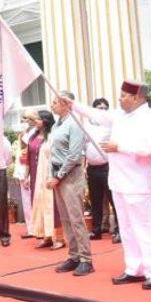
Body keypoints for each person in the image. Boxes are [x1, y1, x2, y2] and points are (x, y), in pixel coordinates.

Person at [65, 81, 151, 290]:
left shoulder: (149, 118)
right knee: (127, 228)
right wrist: (72, 104)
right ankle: (134, 269)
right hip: (119, 181)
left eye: (124, 96)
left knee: (144, 227)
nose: (119, 99)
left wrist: (118, 147)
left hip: (138, 181)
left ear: (137, 98)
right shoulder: (120, 115)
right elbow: (98, 115)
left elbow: (149, 147)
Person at [49, 92, 92, 277]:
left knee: (76, 218)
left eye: (55, 102)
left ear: (66, 104)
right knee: (66, 218)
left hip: (70, 175)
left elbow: (74, 156)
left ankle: (86, 259)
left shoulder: (74, 124)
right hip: (58, 174)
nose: (52, 105)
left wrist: (58, 176)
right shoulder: (57, 124)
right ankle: (74, 256)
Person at [84, 98, 119, 243]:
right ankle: (96, 230)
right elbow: (83, 147)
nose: (102, 110)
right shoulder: (87, 125)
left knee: (114, 200)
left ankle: (119, 231)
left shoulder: (112, 124)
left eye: (105, 108)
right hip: (92, 168)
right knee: (95, 201)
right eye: (99, 108)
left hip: (108, 167)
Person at [30, 110, 65, 249]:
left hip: (50, 174)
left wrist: (55, 176)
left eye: (38, 119)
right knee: (41, 204)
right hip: (38, 176)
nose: (35, 122)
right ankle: (47, 236)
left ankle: (60, 238)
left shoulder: (53, 135)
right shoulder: (34, 135)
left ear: (45, 120)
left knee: (53, 205)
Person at [18, 109, 39, 238]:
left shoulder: (38, 132)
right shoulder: (24, 132)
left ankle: (38, 228)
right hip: (23, 168)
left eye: (27, 119)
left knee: (35, 199)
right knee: (26, 201)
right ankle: (31, 228)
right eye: (24, 119)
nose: (25, 121)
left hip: (35, 168)